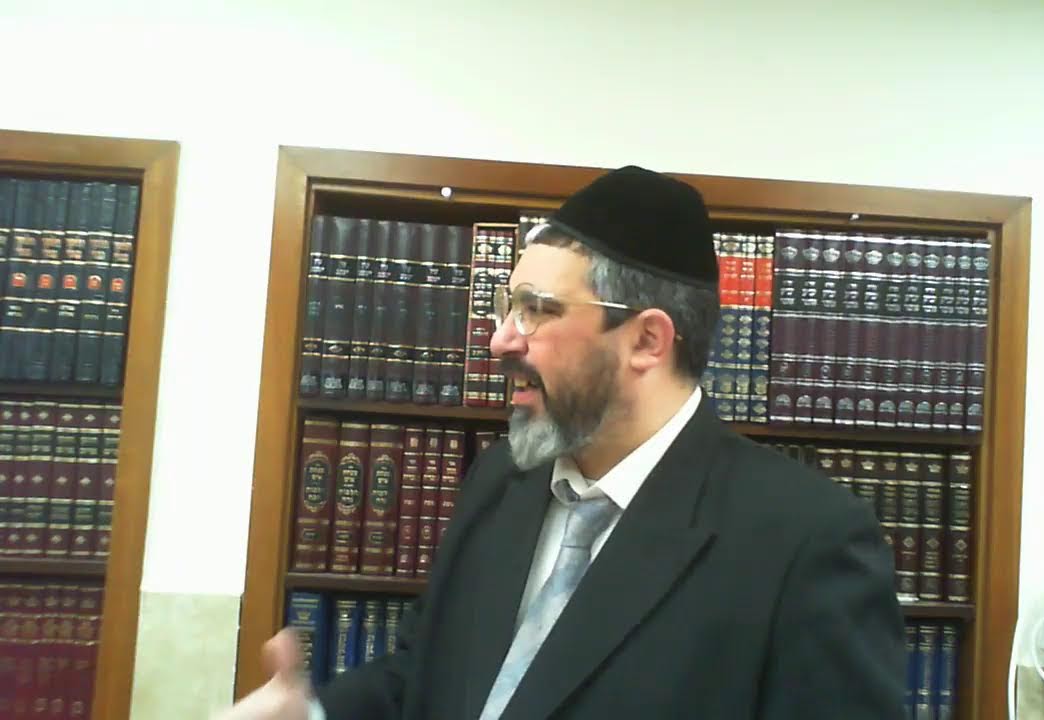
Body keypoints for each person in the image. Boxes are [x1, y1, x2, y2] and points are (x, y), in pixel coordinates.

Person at [217, 165, 906, 720]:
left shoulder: (803, 539)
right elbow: (427, 677)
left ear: (647, 340)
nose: (500, 340)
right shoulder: (501, 481)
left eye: (537, 311)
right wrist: (313, 713)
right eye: (508, 306)